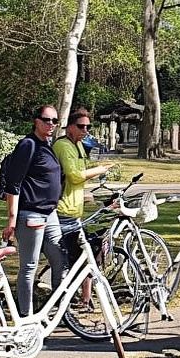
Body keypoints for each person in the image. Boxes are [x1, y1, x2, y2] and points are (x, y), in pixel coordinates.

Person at [2, 104, 65, 316]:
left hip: (50, 213)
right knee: (29, 266)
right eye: (46, 120)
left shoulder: (47, 144)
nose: (51, 125)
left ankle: (60, 311)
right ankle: (25, 316)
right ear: (36, 121)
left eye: (55, 121)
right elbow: (13, 183)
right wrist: (12, 219)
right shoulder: (28, 144)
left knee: (60, 259)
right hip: (31, 214)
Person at [53, 107, 116, 279]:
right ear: (70, 127)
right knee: (68, 259)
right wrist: (99, 170)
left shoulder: (79, 145)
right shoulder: (63, 146)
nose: (85, 131)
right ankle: (65, 298)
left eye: (88, 127)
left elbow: (80, 174)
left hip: (75, 211)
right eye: (81, 126)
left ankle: (85, 300)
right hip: (62, 211)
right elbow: (74, 177)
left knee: (83, 257)